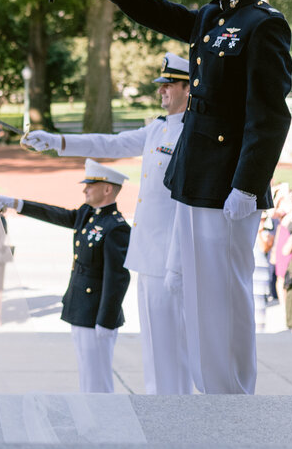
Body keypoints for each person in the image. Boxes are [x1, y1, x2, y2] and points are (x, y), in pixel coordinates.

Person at [55, 0, 292, 395]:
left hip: (226, 187)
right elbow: (152, 10)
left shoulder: (264, 25)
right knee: (194, 296)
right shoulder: (209, 18)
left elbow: (269, 115)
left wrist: (247, 185)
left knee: (223, 296)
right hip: (190, 181)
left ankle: (231, 393)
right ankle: (207, 392)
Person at [22, 52, 191, 394]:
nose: (161, 92)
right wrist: (57, 142)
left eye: (169, 86)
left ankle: (177, 412)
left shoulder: (193, 133)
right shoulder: (158, 127)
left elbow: (188, 206)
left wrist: (177, 262)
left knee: (174, 347)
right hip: (148, 256)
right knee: (155, 348)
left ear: (189, 88)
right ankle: (160, 410)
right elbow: (110, 143)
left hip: (173, 259)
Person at [0, 159, 131, 393]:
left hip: (96, 315)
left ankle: (105, 419)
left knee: (98, 379)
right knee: (87, 376)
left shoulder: (115, 226)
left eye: (91, 185)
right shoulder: (88, 213)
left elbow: (117, 279)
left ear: (107, 189)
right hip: (79, 308)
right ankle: (91, 420)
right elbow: (56, 214)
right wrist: (17, 204)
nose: (84, 189)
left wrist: (106, 321)